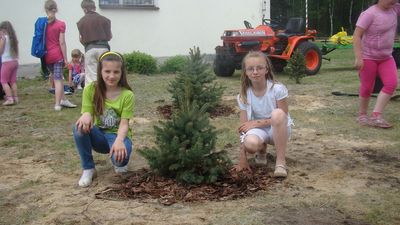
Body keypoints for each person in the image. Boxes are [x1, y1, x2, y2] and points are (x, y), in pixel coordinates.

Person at [73, 51, 135, 187]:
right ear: (100, 71)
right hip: (99, 136)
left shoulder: (127, 95)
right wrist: (86, 114)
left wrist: (119, 141)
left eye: (116, 72)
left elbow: (124, 124)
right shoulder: (90, 89)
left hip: (118, 135)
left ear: (121, 73)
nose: (111, 76)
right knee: (78, 128)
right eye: (107, 71)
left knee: (120, 161)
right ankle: (88, 168)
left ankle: (119, 160)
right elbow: (87, 112)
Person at [234, 51, 292, 178]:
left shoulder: (277, 89)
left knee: (277, 113)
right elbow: (243, 128)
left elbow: (284, 116)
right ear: (245, 72)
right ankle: (261, 150)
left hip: (279, 128)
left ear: (266, 69)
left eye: (259, 68)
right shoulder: (243, 95)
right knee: (250, 144)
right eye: (251, 69)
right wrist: (242, 158)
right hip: (260, 131)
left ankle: (280, 162)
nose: (255, 72)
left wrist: (257, 122)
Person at [353, 0, 400, 128]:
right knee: (368, 87)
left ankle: (376, 116)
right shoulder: (369, 14)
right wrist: (358, 57)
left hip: (386, 57)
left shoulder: (395, 9)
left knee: (391, 84)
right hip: (368, 57)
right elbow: (357, 35)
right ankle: (362, 115)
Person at [43, 0, 76, 111]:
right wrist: (65, 58)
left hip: (46, 55)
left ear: (45, 9)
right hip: (57, 55)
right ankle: (58, 104)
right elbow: (61, 42)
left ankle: (63, 99)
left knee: (58, 78)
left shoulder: (42, 23)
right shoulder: (60, 24)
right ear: (56, 9)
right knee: (58, 79)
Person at [77, 0, 112, 86]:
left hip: (90, 49)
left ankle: (93, 96)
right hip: (104, 49)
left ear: (84, 9)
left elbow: (81, 39)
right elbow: (110, 36)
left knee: (91, 77)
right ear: (95, 8)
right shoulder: (105, 20)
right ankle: (105, 95)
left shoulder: (81, 22)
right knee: (105, 73)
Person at [0, 21, 19, 106]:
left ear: (3, 29)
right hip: (15, 61)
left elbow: (0, 51)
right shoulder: (13, 38)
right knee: (13, 81)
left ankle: (9, 98)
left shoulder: (4, 38)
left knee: (3, 81)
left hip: (6, 62)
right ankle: (15, 97)